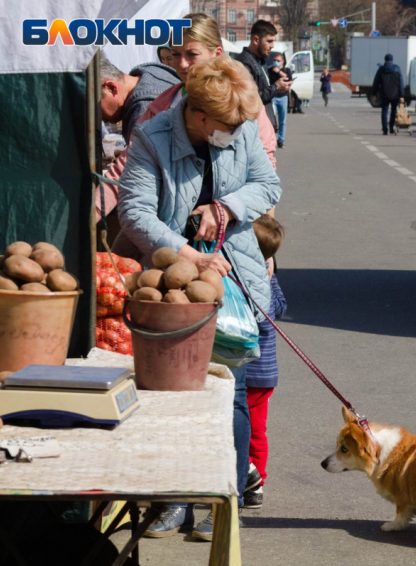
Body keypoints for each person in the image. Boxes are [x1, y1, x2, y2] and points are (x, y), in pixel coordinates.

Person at [118, 56, 281, 541]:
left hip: (240, 279)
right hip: (173, 288)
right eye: (227, 127)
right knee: (170, 397)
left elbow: (268, 183)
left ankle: (218, 498)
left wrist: (226, 206)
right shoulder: (151, 138)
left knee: (231, 396)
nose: (235, 133)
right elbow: (135, 212)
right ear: (200, 117)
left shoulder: (242, 128)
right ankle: (171, 499)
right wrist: (189, 254)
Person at [96, 12, 279, 222]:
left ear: (217, 52)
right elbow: (125, 168)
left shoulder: (240, 99)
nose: (182, 64)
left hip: (234, 229)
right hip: (174, 235)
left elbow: (265, 174)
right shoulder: (161, 105)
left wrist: (241, 218)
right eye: (175, 54)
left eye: (192, 54)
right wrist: (90, 213)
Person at [243, 214, 287, 510]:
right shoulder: (269, 278)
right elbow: (281, 307)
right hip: (266, 373)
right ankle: (259, 483)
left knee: (235, 426)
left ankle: (248, 475)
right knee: (257, 431)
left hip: (246, 371)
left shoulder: (244, 278)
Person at [100, 55, 180, 142]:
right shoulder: (153, 72)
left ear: (111, 88)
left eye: (95, 108)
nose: (100, 118)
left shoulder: (144, 110)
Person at [235, 20, 293, 133]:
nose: (272, 46)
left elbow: (264, 90)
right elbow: (250, 98)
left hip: (263, 127)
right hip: (252, 129)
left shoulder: (261, 61)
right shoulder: (244, 62)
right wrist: (276, 87)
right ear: (256, 40)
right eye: (269, 41)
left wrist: (279, 87)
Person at [372, 53, 404, 135]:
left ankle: (384, 129)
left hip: (384, 94)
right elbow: (401, 83)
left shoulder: (381, 69)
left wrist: (374, 93)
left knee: (384, 111)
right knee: (394, 111)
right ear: (392, 60)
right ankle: (391, 127)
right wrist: (401, 95)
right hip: (395, 94)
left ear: (385, 60)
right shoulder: (397, 69)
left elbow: (376, 82)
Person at [269, 52, 292, 148]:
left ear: (282, 61)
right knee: (271, 119)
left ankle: (281, 140)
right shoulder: (270, 70)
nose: (275, 62)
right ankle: (272, 139)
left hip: (283, 97)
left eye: (278, 61)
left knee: (283, 120)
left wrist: (278, 72)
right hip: (273, 97)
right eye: (274, 60)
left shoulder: (286, 70)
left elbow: (288, 79)